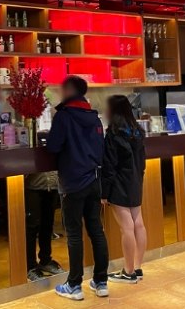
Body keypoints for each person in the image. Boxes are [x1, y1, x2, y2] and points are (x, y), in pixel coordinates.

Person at [47, 76, 109, 301]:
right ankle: (101, 282)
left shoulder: (63, 116)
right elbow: (100, 149)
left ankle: (74, 285)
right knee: (96, 230)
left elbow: (53, 146)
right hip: (94, 180)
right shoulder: (94, 117)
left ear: (70, 91)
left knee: (74, 234)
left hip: (72, 182)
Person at [101, 95, 147, 284]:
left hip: (119, 184)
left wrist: (104, 193)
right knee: (138, 224)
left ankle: (128, 272)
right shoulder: (138, 132)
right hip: (135, 181)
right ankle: (137, 267)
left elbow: (109, 166)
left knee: (126, 227)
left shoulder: (113, 134)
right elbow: (142, 162)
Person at [25, 171, 64, 281]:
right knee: (31, 227)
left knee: (47, 225)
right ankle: (30, 266)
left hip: (53, 185)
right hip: (33, 186)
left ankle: (45, 260)